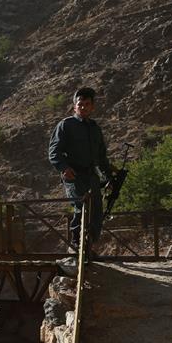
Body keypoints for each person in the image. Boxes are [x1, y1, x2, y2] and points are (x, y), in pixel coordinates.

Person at [48, 87, 114, 253]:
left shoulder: (95, 129)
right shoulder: (65, 125)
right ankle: (77, 245)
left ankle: (88, 246)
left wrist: (109, 177)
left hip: (91, 175)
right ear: (74, 106)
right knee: (81, 206)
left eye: (87, 104)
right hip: (73, 174)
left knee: (96, 212)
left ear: (92, 107)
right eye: (80, 104)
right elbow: (54, 152)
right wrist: (63, 168)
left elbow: (101, 157)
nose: (83, 107)